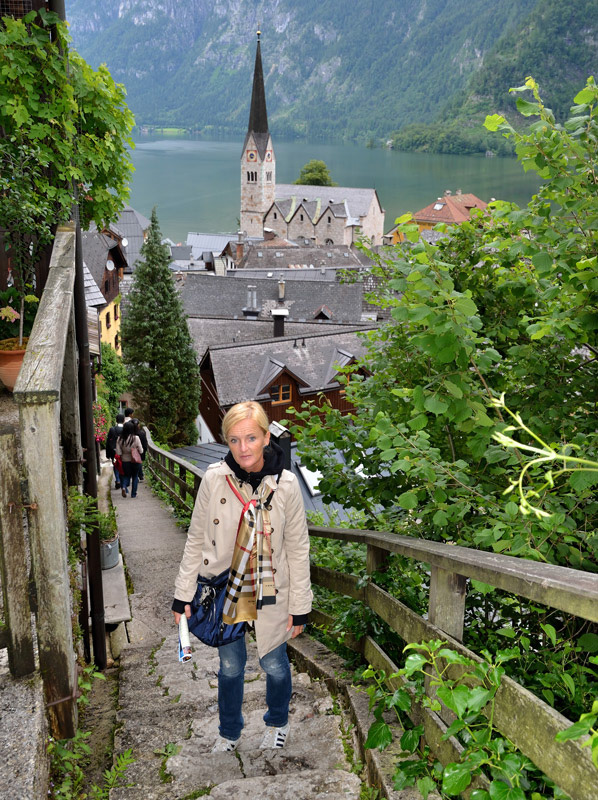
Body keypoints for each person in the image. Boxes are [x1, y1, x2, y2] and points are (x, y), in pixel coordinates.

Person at [172, 401, 312, 753]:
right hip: (224, 589)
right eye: (234, 440)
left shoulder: (287, 486)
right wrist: (182, 594)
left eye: (251, 437)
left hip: (271, 591)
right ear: (226, 442)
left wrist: (301, 607)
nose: (243, 448)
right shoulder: (214, 479)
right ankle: (229, 731)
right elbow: (195, 539)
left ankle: (278, 721)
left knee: (274, 663)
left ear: (266, 437)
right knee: (231, 666)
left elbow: (297, 549)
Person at [116, 420, 144, 498]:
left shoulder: (119, 439)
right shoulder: (136, 438)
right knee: (135, 476)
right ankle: (133, 494)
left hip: (125, 460)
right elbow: (141, 450)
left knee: (126, 476)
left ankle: (124, 487)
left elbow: (118, 453)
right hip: (135, 460)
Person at [106, 413, 125, 489]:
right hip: (124, 452)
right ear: (123, 420)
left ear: (116, 420)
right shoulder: (125, 429)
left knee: (116, 465)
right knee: (123, 465)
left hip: (114, 452)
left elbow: (108, 442)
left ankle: (117, 480)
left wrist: (108, 453)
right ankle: (122, 480)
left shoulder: (112, 429)